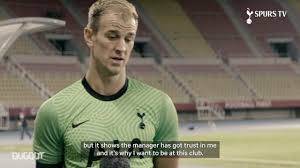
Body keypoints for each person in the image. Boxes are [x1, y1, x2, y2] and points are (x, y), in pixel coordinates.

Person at [33, 0, 178, 167]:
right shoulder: (53, 111)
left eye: (129, 39)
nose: (122, 47)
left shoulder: (160, 105)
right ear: (89, 36)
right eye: (112, 36)